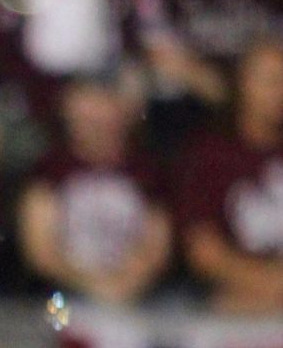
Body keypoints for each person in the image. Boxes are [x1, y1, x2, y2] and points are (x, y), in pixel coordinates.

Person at [176, 39, 283, 312]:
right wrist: (269, 284)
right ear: (241, 84)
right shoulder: (208, 154)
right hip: (237, 298)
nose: (281, 90)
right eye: (269, 80)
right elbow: (202, 249)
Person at [17, 73, 175, 304]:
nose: (95, 116)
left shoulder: (147, 172)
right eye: (85, 108)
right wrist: (91, 284)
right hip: (64, 295)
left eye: (102, 103)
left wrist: (126, 282)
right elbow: (42, 252)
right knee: (55, 317)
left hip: (135, 295)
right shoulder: (49, 171)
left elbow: (157, 248)